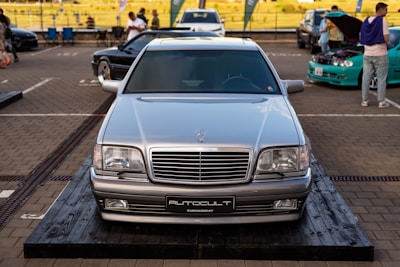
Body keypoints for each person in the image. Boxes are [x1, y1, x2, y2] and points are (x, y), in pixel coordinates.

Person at [360, 2, 390, 108]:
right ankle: (381, 102)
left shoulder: (366, 21)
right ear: (381, 10)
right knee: (381, 78)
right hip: (380, 54)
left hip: (367, 53)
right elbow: (386, 38)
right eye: (386, 9)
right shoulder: (382, 21)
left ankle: (365, 101)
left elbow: (361, 35)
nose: (387, 12)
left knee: (366, 77)